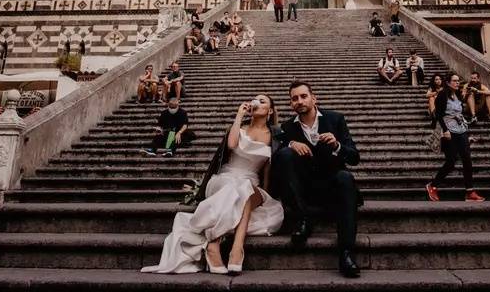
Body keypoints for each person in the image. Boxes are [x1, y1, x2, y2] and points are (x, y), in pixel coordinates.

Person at [142, 95, 283, 274]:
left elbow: (267, 171)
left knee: (246, 190)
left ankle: (217, 245)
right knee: (239, 189)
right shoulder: (240, 128)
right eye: (255, 99)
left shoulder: (274, 137)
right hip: (226, 178)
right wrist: (239, 116)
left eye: (262, 101)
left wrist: (265, 192)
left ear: (270, 111)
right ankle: (234, 250)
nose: (256, 102)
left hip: (251, 182)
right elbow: (232, 145)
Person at [272, 81, 361, 278]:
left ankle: (346, 253)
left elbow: (354, 157)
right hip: (304, 190)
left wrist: (337, 145)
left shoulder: (335, 119)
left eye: (303, 96)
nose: (299, 101)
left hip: (332, 185)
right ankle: (303, 218)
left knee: (345, 177)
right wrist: (291, 144)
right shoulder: (287, 127)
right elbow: (277, 163)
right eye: (294, 98)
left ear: (314, 98)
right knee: (284, 154)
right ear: (290, 104)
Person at [426, 74, 485, 202]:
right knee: (451, 162)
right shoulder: (442, 95)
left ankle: (469, 192)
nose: (457, 83)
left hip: (461, 130)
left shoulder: (457, 95)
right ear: (447, 83)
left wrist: (467, 134)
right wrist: (445, 130)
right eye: (454, 81)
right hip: (449, 131)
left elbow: (459, 114)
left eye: (458, 81)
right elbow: (438, 115)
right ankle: (433, 185)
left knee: (467, 160)